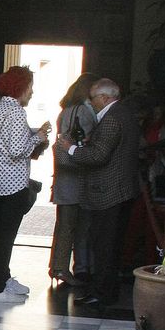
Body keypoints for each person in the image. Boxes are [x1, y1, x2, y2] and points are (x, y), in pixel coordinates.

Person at [54, 78, 141, 311]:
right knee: (110, 246)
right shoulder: (124, 113)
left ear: (104, 98)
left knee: (105, 246)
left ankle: (102, 294)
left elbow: (98, 156)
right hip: (121, 191)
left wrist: (70, 148)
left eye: (92, 99)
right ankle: (104, 292)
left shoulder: (111, 118)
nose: (90, 103)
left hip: (110, 193)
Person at [0, 65, 50, 303]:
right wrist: (38, 138)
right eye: (30, 87)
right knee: (6, 237)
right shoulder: (17, 113)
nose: (32, 92)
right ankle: (0, 289)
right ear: (21, 88)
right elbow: (17, 150)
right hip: (14, 185)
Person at [49, 72, 97, 286]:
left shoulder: (65, 111)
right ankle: (62, 268)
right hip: (76, 178)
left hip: (63, 179)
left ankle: (57, 266)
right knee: (72, 227)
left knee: (63, 225)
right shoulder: (84, 112)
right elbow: (85, 144)